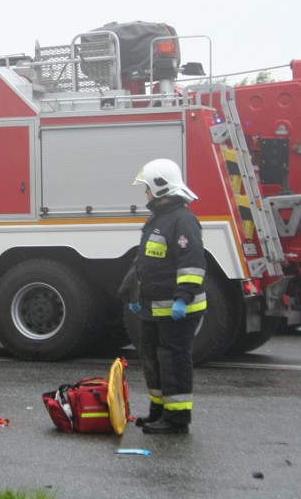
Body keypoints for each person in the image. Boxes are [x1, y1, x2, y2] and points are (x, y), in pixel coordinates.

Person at [127, 159, 206, 435]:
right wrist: (136, 292)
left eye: (147, 188)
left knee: (174, 362)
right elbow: (146, 262)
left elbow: (192, 263)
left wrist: (183, 298)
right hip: (153, 308)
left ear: (161, 188)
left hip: (175, 310)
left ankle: (177, 419)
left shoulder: (182, 220)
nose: (145, 193)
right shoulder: (159, 218)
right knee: (152, 359)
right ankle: (158, 411)